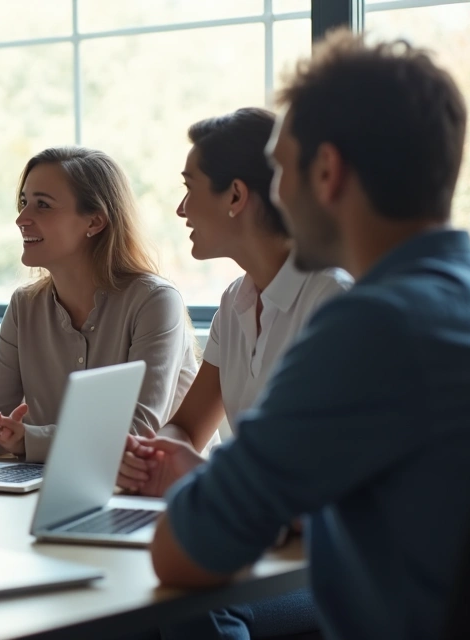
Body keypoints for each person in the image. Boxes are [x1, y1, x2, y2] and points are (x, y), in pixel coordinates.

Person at [147, 31, 470, 640]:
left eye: (281, 167)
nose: (276, 192)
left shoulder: (369, 326)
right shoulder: (455, 302)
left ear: (326, 171)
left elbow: (182, 551)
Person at [118, 109, 352, 639]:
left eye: (189, 188)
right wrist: (155, 453)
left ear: (236, 196)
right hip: (261, 540)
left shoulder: (332, 298)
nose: (180, 209)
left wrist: (202, 476)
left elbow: (316, 483)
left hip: (321, 563)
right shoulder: (236, 299)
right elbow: (188, 426)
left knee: (189, 607)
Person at [0, 146, 198, 462]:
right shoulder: (25, 305)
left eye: (43, 205)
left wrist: (29, 439)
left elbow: (136, 433)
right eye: (24, 202)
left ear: (94, 222)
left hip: (162, 495)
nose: (21, 219)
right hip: (63, 485)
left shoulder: (155, 301)